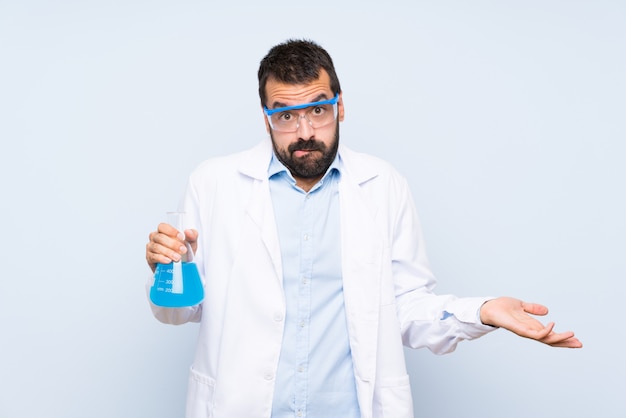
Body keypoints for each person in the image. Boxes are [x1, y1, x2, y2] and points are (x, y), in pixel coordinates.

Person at [145, 39, 582, 418]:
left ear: (340, 105)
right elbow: (177, 312)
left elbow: (405, 311)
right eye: (286, 115)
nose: (304, 131)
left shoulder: (383, 184)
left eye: (318, 110)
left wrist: (482, 311)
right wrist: (169, 269)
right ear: (265, 119)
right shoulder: (214, 182)